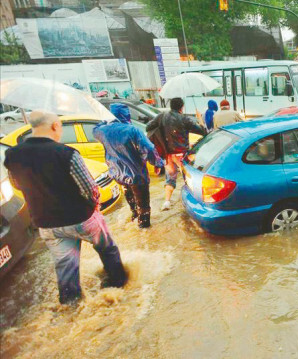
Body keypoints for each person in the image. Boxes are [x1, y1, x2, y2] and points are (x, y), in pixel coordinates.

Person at [4, 111, 127, 304]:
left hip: (46, 223)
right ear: (54, 126)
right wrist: (94, 208)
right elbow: (90, 189)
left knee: (65, 266)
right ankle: (119, 288)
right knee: (107, 250)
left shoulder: (12, 154)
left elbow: (17, 184)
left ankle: (71, 306)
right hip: (81, 218)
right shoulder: (66, 153)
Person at [94, 103, 164, 228]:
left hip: (118, 174)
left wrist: (106, 120)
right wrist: (157, 163)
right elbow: (148, 148)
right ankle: (144, 230)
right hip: (137, 176)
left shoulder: (102, 131)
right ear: (127, 115)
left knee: (131, 200)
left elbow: (95, 129)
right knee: (144, 207)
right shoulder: (132, 130)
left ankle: (134, 217)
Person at [146, 98, 207, 211]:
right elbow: (203, 132)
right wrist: (199, 118)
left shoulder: (162, 116)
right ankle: (191, 202)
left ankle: (167, 202)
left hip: (168, 155)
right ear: (182, 107)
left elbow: (148, 127)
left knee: (170, 179)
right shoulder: (184, 119)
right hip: (182, 155)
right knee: (189, 178)